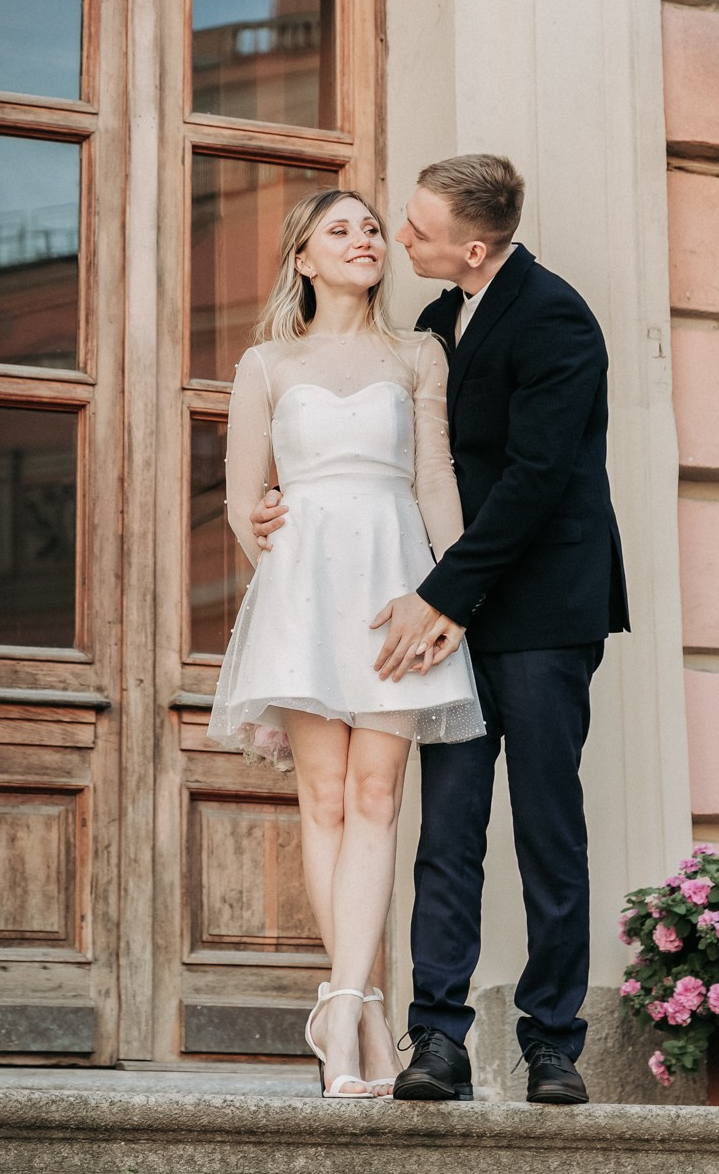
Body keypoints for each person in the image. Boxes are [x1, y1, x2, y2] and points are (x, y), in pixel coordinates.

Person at [253, 155, 628, 1106]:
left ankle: (552, 1044)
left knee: (548, 826)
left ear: (470, 244)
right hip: (447, 620)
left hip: (539, 614)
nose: (395, 238)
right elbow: (415, 466)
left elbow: (535, 482)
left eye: (412, 229)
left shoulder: (556, 317)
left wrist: (442, 594)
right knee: (447, 833)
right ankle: (438, 1039)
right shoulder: (430, 325)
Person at [207, 187, 484, 1101]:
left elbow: (434, 478)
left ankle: (347, 1003)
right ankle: (356, 1011)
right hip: (306, 594)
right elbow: (246, 505)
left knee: (378, 794)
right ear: (304, 258)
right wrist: (272, 543)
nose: (364, 239)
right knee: (323, 799)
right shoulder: (265, 365)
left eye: (372, 228)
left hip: (399, 586)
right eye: (342, 230)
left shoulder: (419, 354)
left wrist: (452, 597)